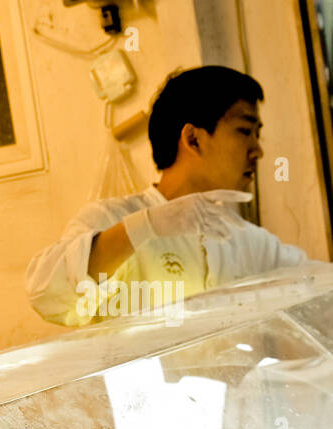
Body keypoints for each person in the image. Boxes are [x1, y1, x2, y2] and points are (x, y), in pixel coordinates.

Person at [27, 66, 320, 326]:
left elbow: (316, 281)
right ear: (193, 138)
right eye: (245, 131)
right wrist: (144, 227)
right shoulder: (111, 218)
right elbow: (46, 294)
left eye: (258, 134)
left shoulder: (240, 237)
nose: (258, 150)